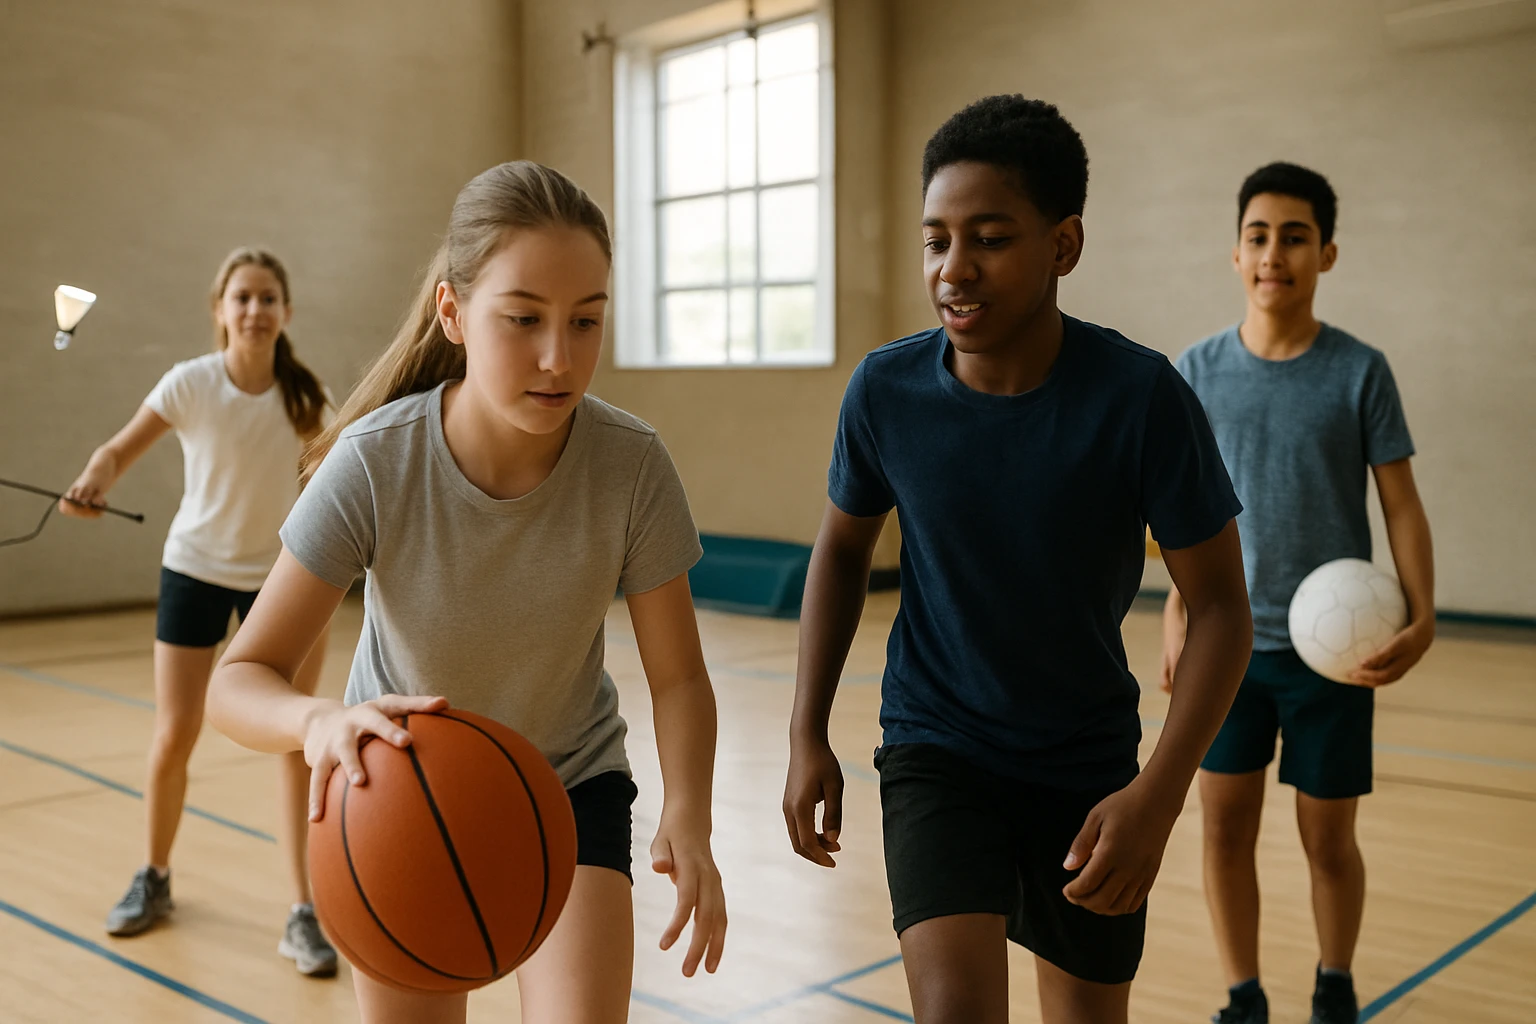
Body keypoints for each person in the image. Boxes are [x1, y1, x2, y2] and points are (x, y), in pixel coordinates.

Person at [205, 161, 727, 1024]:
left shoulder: (631, 464)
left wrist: (692, 816)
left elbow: (678, 676)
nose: (559, 357)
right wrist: (318, 723)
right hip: (402, 795)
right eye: (522, 319)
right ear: (453, 312)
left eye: (586, 321)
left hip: (567, 785)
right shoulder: (375, 463)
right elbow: (240, 675)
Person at [782, 95, 1254, 1024]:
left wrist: (1156, 798)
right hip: (936, 747)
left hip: (1088, 768)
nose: (954, 269)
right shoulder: (885, 390)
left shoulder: (1141, 399)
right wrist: (806, 732)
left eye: (989, 238)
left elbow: (1224, 611)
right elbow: (841, 552)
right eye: (936, 241)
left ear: (1063, 245)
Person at [1166, 162, 1435, 1024]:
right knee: (1224, 829)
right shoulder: (1194, 373)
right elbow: (1174, 518)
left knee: (1328, 840)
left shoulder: (1359, 371)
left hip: (1336, 656)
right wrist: (1175, 612)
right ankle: (1243, 996)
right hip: (1227, 650)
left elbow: (1400, 501)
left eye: (1294, 236)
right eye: (1258, 235)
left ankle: (1335, 983)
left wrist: (1423, 616)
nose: (1273, 252)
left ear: (1327, 253)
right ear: (1234, 252)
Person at [60, 246, 338, 976]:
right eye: (241, 297)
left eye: (267, 297)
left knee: (292, 743)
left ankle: (302, 911)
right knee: (175, 732)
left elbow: (345, 484)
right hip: (194, 571)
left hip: (283, 584)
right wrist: (95, 477)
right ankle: (153, 877)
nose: (254, 310)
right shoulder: (189, 383)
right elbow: (116, 452)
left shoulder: (309, 401)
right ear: (220, 310)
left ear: (286, 312)